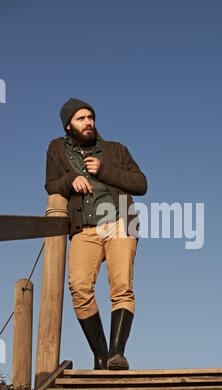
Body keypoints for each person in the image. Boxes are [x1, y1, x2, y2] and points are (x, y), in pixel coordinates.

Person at [44, 98, 148, 370]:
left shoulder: (115, 150)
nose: (88, 122)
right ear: (68, 125)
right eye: (80, 118)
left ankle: (117, 354)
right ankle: (101, 356)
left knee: (122, 288)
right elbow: (50, 184)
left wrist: (105, 171)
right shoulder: (56, 149)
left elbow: (141, 184)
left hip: (121, 223)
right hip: (83, 228)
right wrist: (69, 180)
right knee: (79, 288)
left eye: (90, 117)